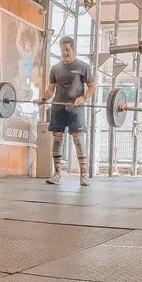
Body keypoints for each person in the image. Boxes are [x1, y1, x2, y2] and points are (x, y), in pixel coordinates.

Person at [37, 36, 96, 186]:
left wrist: (83, 97)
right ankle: (57, 174)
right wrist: (43, 99)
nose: (65, 53)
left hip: (75, 108)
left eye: (68, 50)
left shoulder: (83, 67)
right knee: (57, 139)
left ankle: (83, 175)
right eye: (63, 50)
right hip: (58, 107)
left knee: (78, 140)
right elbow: (50, 90)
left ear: (73, 49)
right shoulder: (55, 68)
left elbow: (92, 87)